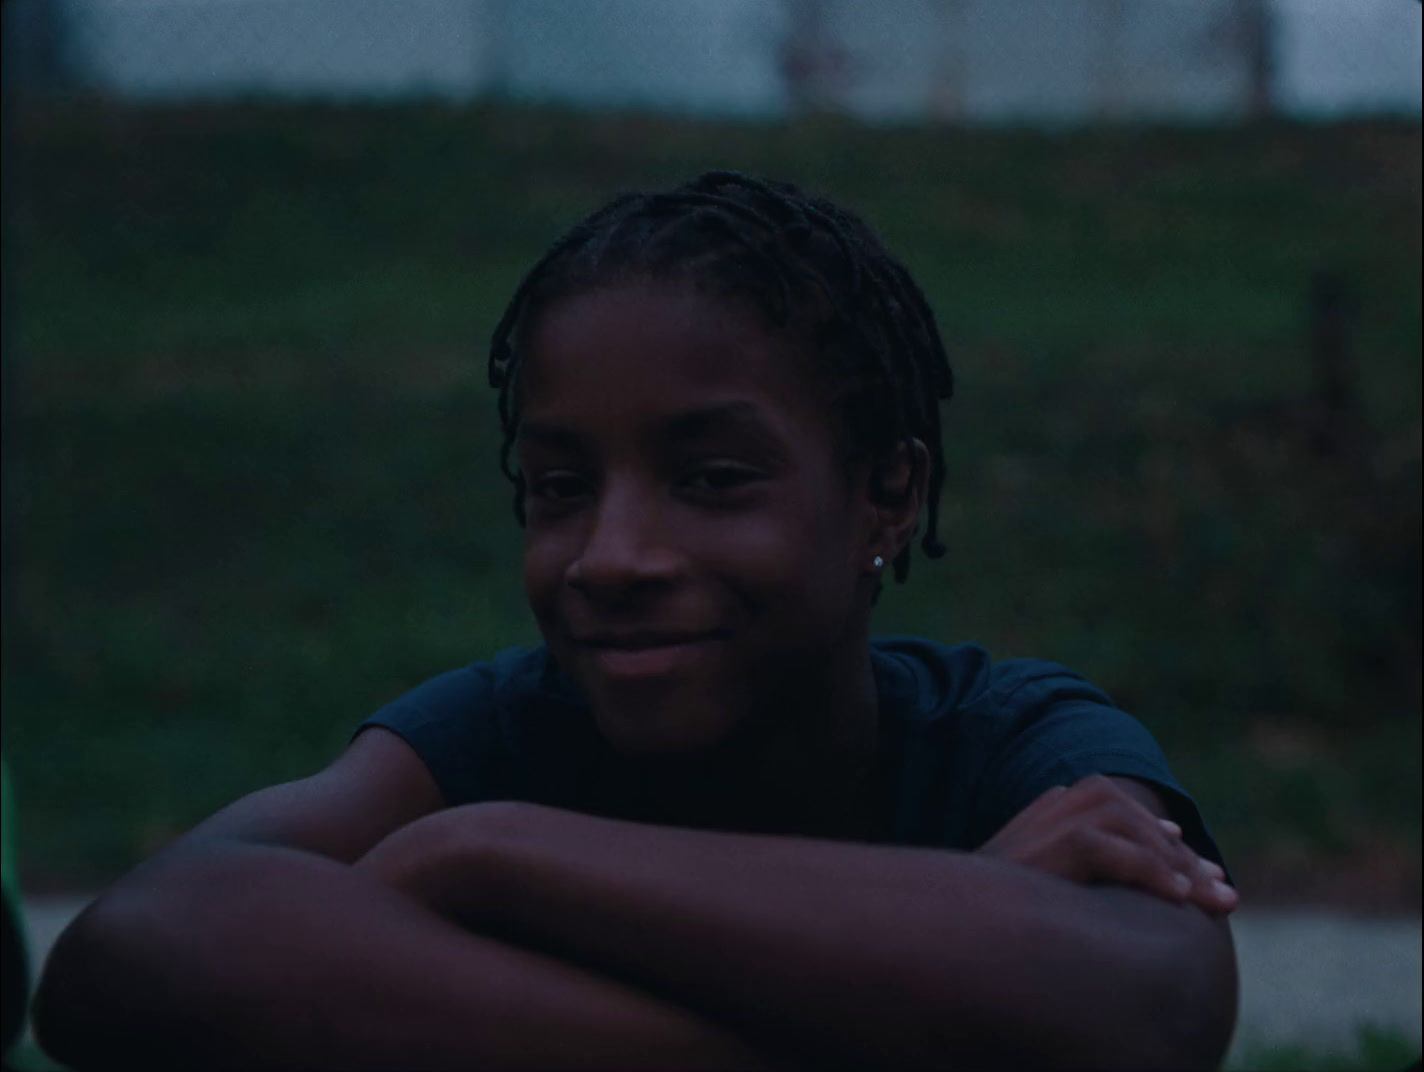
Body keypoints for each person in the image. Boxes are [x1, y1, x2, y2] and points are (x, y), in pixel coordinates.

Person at [33, 172, 1239, 1070]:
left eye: (713, 478)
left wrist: (485, 857)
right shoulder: (492, 733)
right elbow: (141, 944)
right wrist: (920, 972)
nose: (611, 557)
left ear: (887, 493)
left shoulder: (1012, 736)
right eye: (559, 488)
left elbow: (1154, 1002)